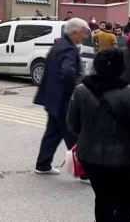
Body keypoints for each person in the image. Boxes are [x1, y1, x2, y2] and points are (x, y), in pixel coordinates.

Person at [67, 49, 130, 222]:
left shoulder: (81, 91)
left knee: (103, 199)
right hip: (129, 161)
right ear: (122, 68)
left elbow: (72, 125)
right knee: (126, 206)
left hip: (91, 158)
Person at [33, 18, 91, 177]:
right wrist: (75, 90)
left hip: (53, 98)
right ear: (74, 32)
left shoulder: (59, 45)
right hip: (64, 100)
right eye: (83, 32)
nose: (85, 36)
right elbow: (68, 73)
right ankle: (85, 172)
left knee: (53, 132)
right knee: (73, 135)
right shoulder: (68, 49)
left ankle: (43, 164)